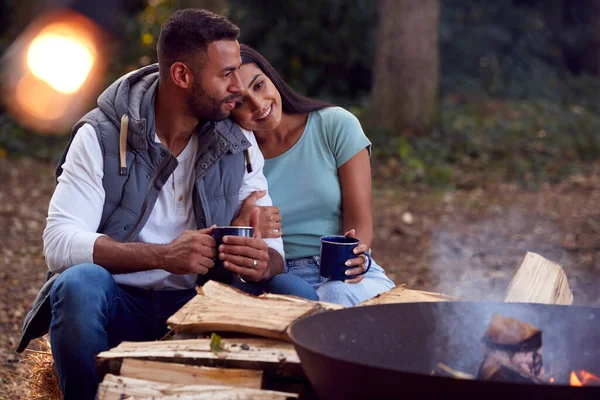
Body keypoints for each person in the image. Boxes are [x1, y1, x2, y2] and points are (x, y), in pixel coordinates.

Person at [16, 10, 317, 399]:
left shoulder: (236, 141)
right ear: (182, 76)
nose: (238, 88)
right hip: (120, 307)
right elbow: (59, 244)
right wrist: (162, 256)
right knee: (78, 284)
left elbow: (273, 249)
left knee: (296, 290)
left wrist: (262, 261)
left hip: (206, 312)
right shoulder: (100, 136)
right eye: (225, 74)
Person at [230, 44, 395, 307]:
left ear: (271, 77)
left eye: (259, 86)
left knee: (335, 296)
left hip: (342, 274)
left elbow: (361, 222)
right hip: (274, 280)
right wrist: (245, 225)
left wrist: (353, 259)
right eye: (240, 102)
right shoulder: (233, 155)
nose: (258, 105)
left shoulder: (335, 126)